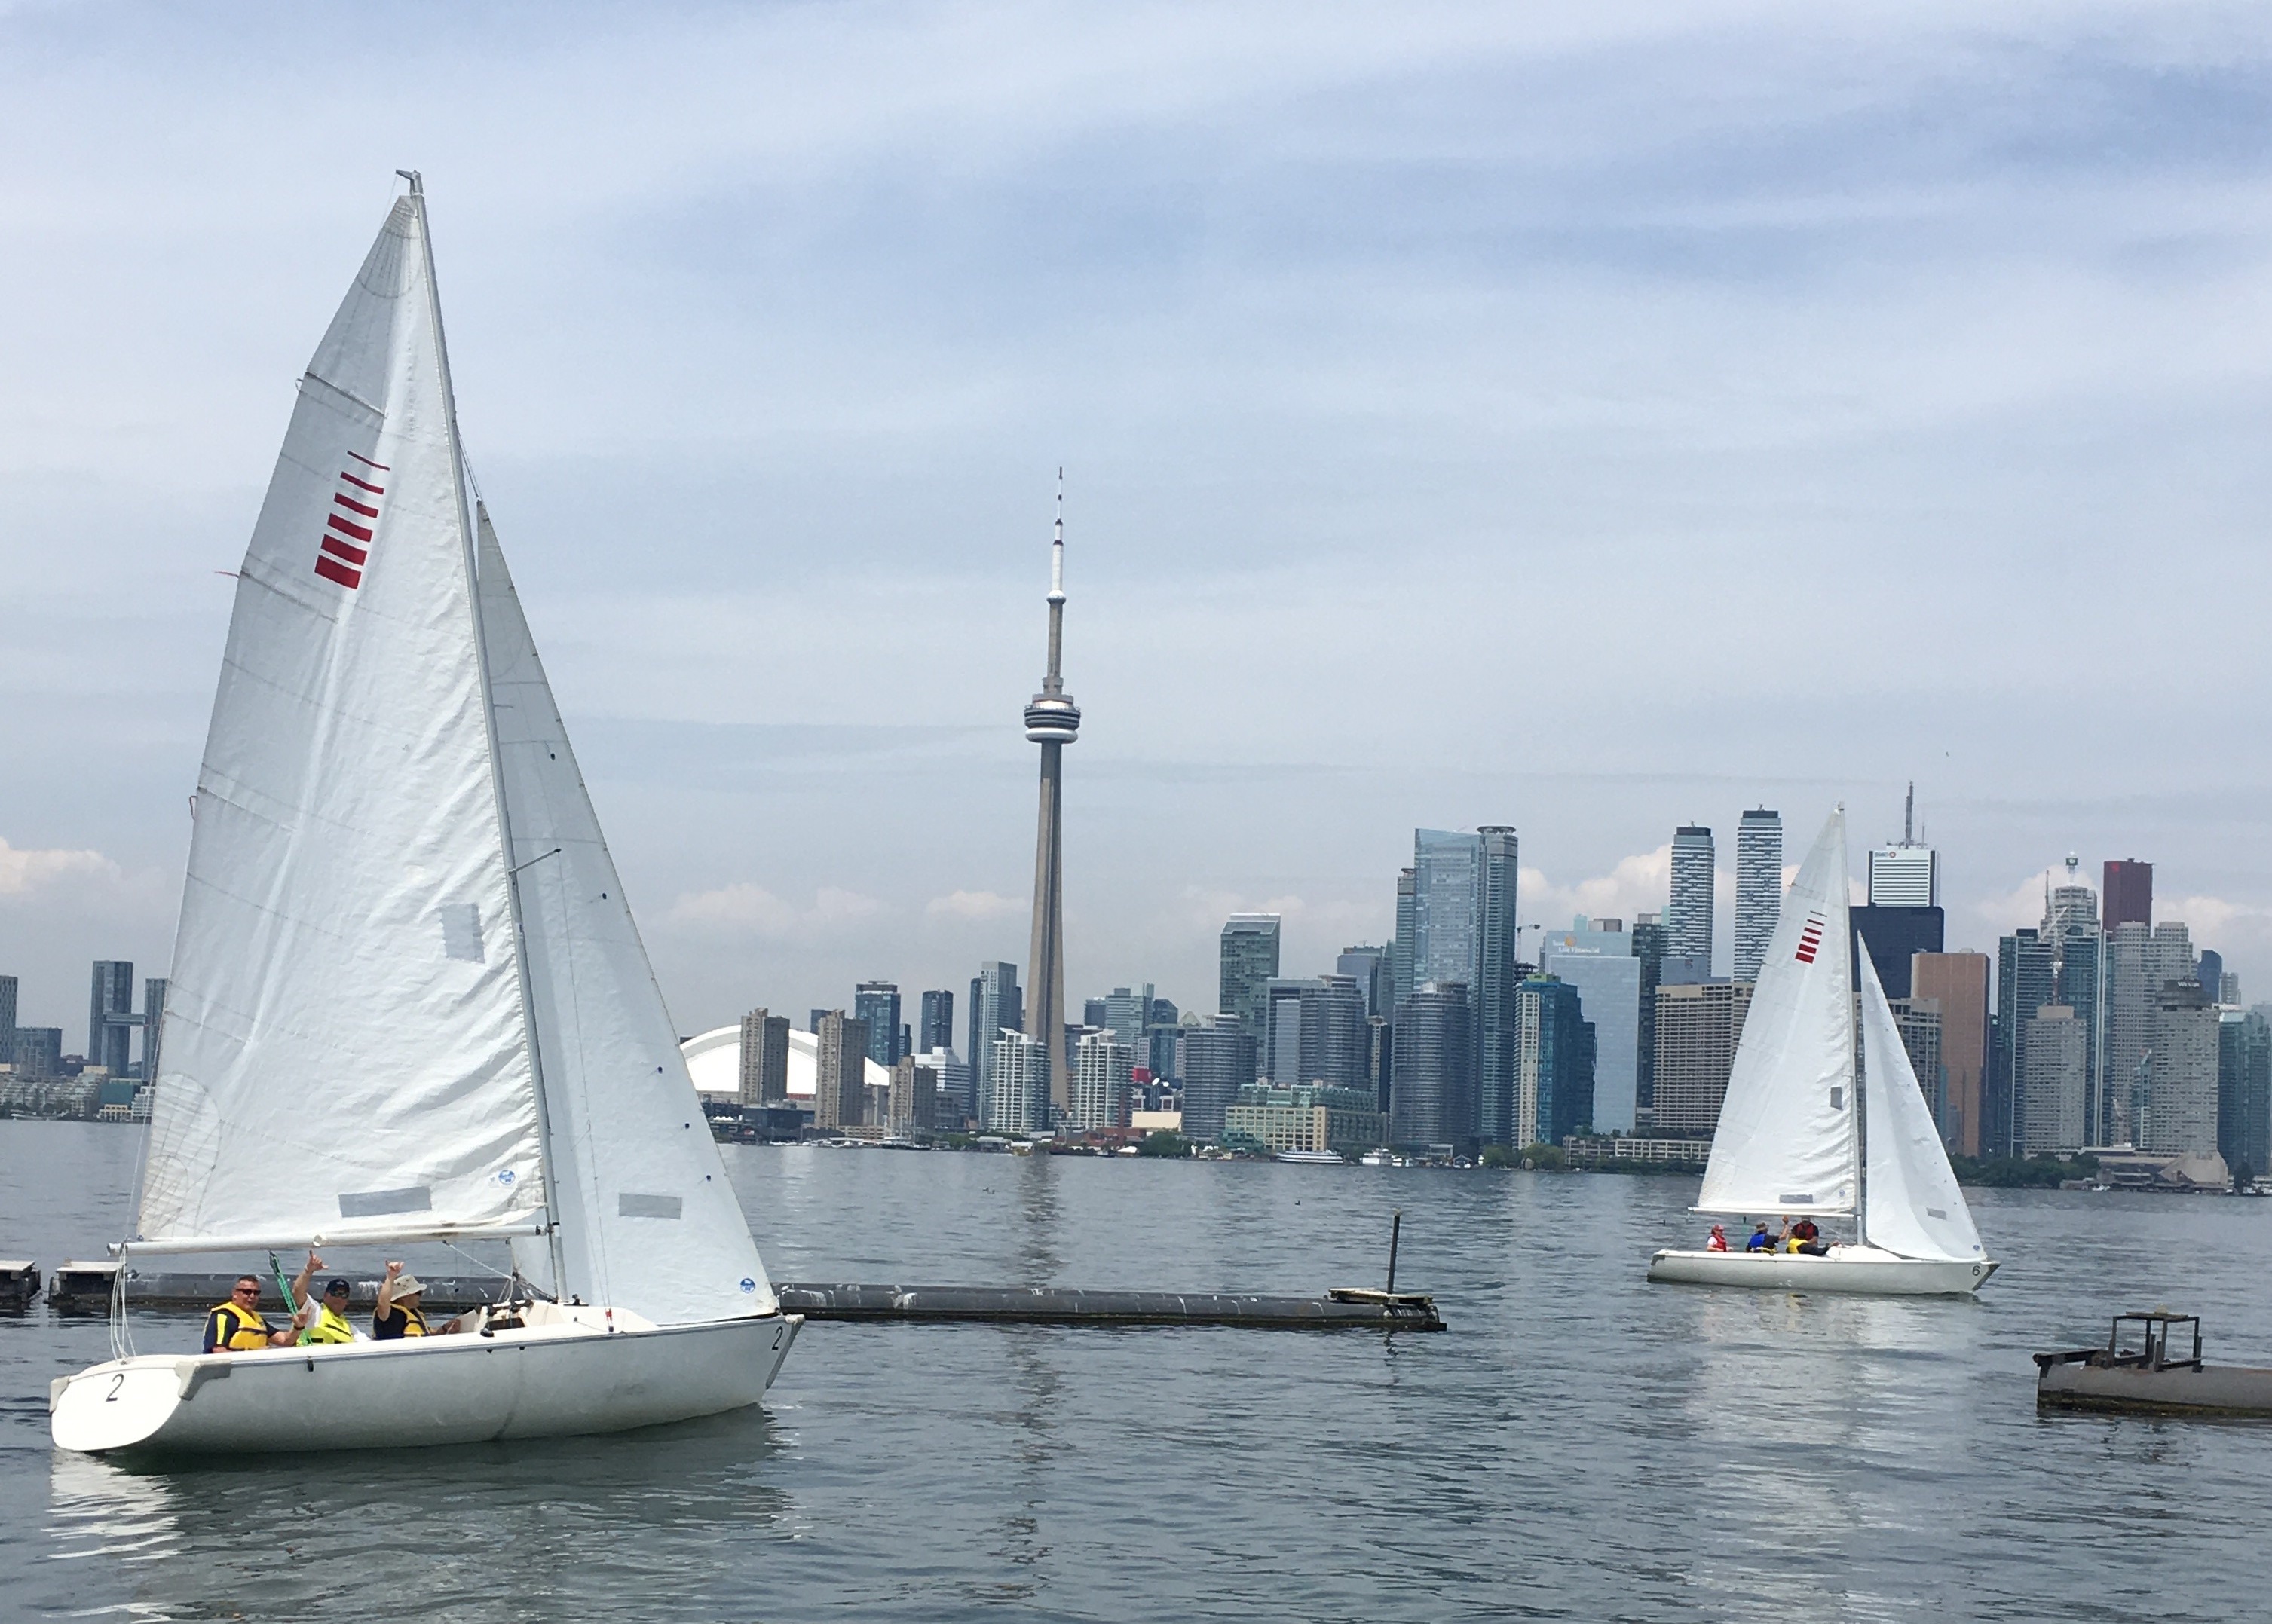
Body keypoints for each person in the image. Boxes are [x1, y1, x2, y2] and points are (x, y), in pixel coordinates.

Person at [202, 1274, 311, 1352]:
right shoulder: (223, 1316)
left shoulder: (257, 1320)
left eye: (256, 1293)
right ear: (235, 1294)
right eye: (247, 1292)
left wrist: (298, 1327)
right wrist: (253, 1355)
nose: (252, 1296)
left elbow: (285, 1341)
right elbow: (218, 1351)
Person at [372, 1261, 432, 1339]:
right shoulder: (392, 1314)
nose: (420, 1296)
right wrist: (391, 1277)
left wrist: (446, 1328)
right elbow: (382, 1303)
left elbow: (429, 1332)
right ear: (405, 1296)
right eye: (418, 1293)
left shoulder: (415, 1313)